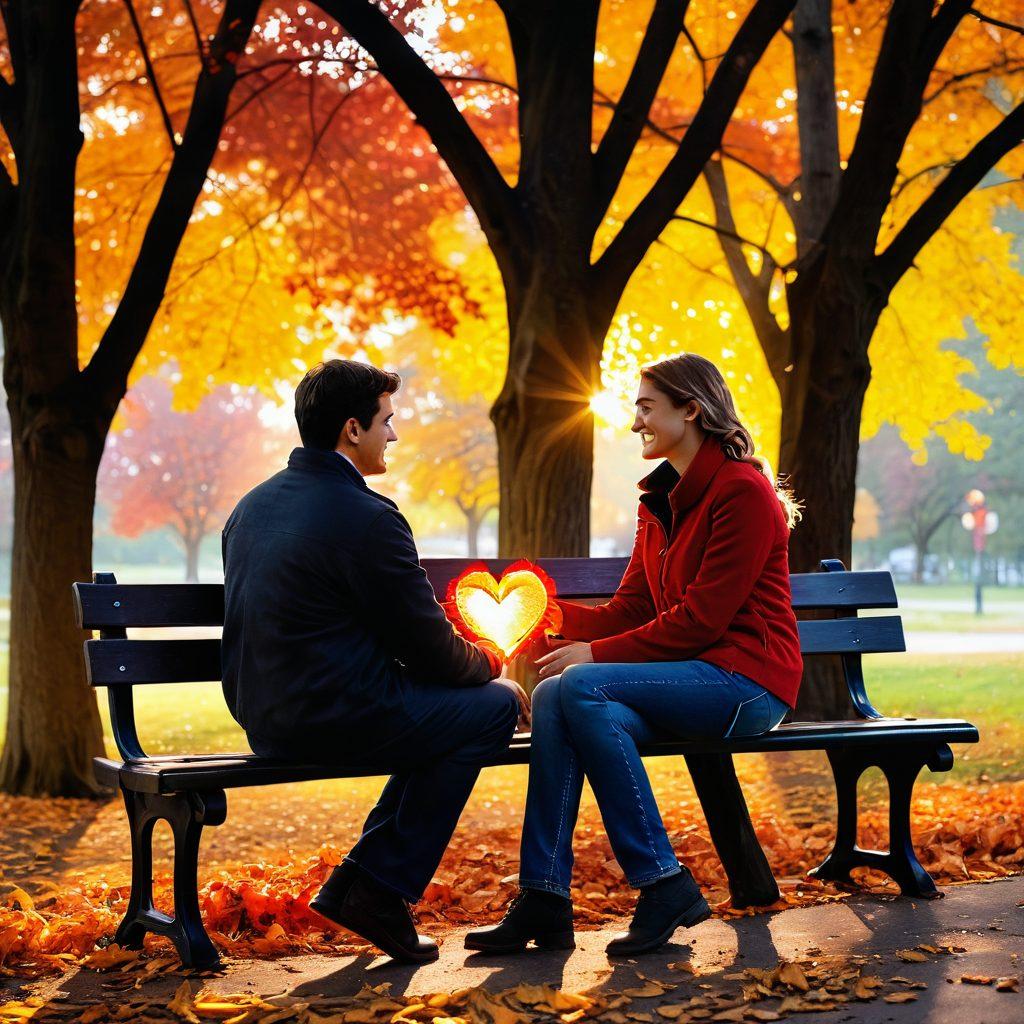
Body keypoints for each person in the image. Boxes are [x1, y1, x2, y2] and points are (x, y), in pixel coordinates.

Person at [466, 353, 803, 957]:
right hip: (690, 678)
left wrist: (591, 654)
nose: (634, 422)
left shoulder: (742, 492)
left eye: (646, 408)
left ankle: (663, 882)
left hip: (747, 681)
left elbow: (701, 620)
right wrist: (559, 617)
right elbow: (635, 605)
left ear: (692, 410)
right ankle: (544, 894)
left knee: (579, 685)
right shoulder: (660, 499)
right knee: (554, 694)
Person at [221, 359, 528, 964]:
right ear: (352, 429)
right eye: (387, 421)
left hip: (265, 720)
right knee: (489, 710)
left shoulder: (250, 507)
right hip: (334, 716)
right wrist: (493, 662)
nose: (395, 434)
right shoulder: (366, 516)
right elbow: (429, 647)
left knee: (445, 723)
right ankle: (377, 887)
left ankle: (366, 883)